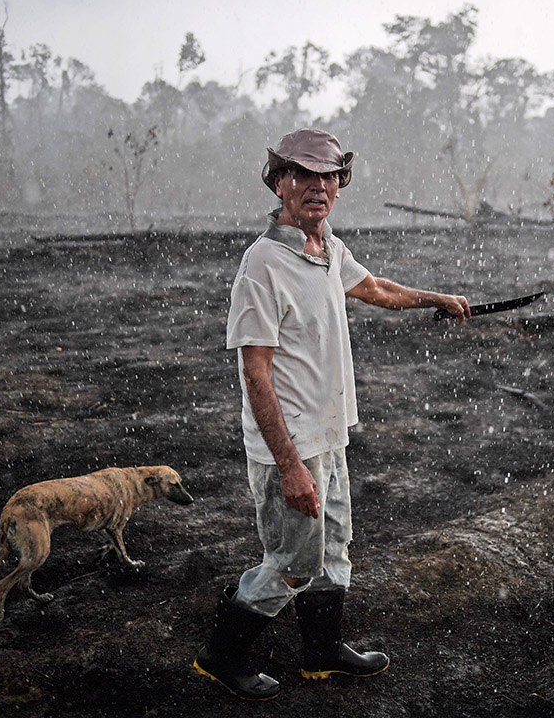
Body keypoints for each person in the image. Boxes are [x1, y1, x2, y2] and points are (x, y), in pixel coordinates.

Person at [193, 128, 470, 700]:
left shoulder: (327, 249)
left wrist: (435, 299)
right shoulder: (263, 264)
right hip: (288, 448)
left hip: (329, 438)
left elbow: (374, 288)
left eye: (328, 176)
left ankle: (321, 652)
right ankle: (221, 656)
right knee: (293, 561)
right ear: (279, 184)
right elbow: (255, 373)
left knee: (334, 547)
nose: (317, 186)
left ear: (340, 185)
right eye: (302, 175)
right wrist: (289, 466)